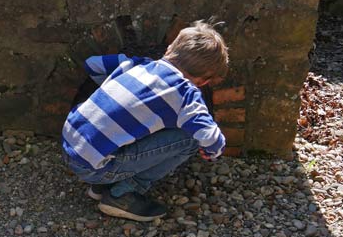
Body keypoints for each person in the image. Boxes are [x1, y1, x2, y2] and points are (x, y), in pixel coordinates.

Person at [62, 20, 229, 221]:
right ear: (204, 81)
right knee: (190, 139)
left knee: (136, 123)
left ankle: (102, 183)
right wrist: (210, 153)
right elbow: (212, 140)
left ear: (170, 49)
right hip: (94, 167)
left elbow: (92, 64)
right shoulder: (185, 94)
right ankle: (122, 193)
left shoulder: (138, 64)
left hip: (70, 144)